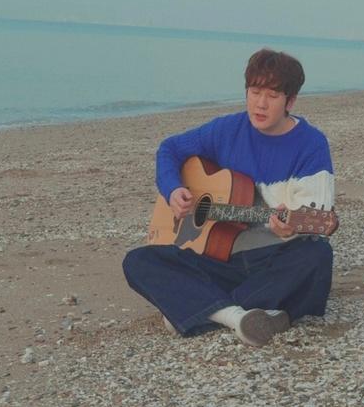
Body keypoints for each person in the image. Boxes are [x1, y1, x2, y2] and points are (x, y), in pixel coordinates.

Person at [123, 48, 335, 347]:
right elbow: (170, 149)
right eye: (255, 92)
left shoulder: (311, 144)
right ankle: (238, 316)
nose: (260, 104)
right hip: (219, 260)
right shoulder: (226, 130)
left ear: (290, 101)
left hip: (274, 258)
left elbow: (317, 217)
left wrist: (288, 227)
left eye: (273, 95)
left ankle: (197, 307)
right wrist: (173, 189)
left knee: (317, 256)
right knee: (138, 261)